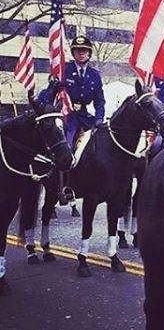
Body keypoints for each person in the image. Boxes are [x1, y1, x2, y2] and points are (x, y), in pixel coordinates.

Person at [38, 35, 105, 214]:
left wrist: (99, 119)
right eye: (77, 50)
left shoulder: (94, 75)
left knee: (100, 146)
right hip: (67, 116)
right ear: (73, 53)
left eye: (84, 51)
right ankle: (62, 188)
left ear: (89, 53)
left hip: (85, 116)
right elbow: (45, 97)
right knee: (65, 148)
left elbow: (100, 102)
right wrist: (53, 86)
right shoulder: (64, 70)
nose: (81, 53)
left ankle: (92, 184)